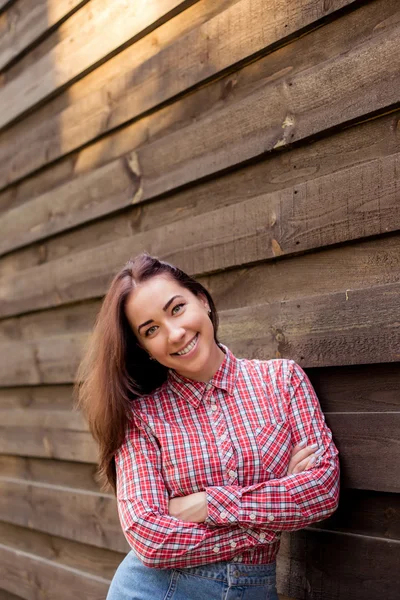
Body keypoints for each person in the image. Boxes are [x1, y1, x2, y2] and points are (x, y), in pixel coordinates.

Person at [75, 252, 340, 600]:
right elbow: (149, 538)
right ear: (145, 348)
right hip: (157, 591)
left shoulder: (282, 381)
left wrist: (206, 504)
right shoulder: (141, 417)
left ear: (202, 300)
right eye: (151, 329)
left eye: (177, 308)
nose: (174, 333)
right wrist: (267, 526)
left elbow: (322, 491)